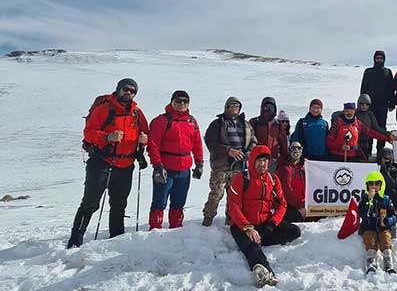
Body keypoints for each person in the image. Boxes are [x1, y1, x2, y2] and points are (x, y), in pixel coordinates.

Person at [67, 78, 149, 248]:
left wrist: (144, 140)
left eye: (133, 91)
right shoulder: (104, 109)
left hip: (126, 166)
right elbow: (88, 133)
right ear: (118, 89)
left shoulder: (137, 113)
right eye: (125, 89)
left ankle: (116, 240)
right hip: (101, 163)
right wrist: (107, 137)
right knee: (90, 203)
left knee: (119, 205)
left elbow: (145, 132)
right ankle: (75, 240)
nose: (129, 93)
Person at [227, 145, 301, 287]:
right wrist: (248, 228)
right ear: (252, 161)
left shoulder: (273, 179)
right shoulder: (241, 179)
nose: (263, 164)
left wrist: (272, 223)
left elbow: (282, 205)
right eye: (259, 161)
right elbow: (233, 207)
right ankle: (265, 273)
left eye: (266, 161)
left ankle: (259, 240)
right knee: (252, 246)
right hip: (242, 225)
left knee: (294, 231)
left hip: (264, 222)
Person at [147, 90, 204, 230]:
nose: (182, 104)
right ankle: (155, 229)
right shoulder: (161, 121)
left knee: (179, 202)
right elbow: (153, 145)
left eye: (185, 101)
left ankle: (176, 229)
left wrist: (199, 163)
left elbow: (197, 144)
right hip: (166, 168)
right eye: (178, 101)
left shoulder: (191, 121)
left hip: (184, 169)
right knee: (160, 201)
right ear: (172, 101)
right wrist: (158, 166)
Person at [202, 97, 257, 226]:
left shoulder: (246, 124)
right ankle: (208, 219)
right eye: (232, 106)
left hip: (239, 166)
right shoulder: (218, 124)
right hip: (221, 166)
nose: (234, 109)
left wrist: (248, 153)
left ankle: (231, 221)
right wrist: (228, 150)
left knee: (234, 196)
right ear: (227, 108)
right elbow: (210, 142)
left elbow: (253, 141)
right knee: (217, 194)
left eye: (237, 106)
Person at [358, 171, 397, 273]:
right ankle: (371, 263)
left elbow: (394, 215)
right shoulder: (364, 199)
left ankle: (388, 262)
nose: (374, 187)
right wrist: (369, 201)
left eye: (377, 184)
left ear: (381, 185)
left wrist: (388, 221)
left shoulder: (386, 199)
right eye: (371, 184)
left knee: (385, 238)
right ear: (367, 186)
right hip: (369, 227)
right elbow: (361, 213)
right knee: (370, 240)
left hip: (383, 227)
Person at [327, 102, 396, 162]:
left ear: (354, 112)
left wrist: (387, 138)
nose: (349, 113)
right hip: (337, 155)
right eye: (347, 111)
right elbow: (329, 141)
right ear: (344, 111)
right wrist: (341, 147)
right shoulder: (337, 123)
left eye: (351, 111)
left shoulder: (358, 124)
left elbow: (371, 133)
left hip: (352, 156)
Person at [360, 50, 395, 154]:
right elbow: (363, 88)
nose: (379, 60)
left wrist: (391, 103)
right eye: (377, 58)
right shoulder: (368, 71)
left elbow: (391, 89)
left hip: (382, 105)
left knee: (381, 127)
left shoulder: (387, 72)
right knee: (368, 128)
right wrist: (362, 103)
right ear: (374, 59)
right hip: (369, 106)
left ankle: (380, 151)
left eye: (381, 58)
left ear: (384, 60)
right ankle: (368, 151)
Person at [249, 97, 288, 171]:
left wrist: (283, 159)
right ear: (262, 107)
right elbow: (249, 139)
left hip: (272, 159)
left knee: (270, 180)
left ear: (275, 108)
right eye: (266, 106)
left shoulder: (278, 124)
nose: (268, 109)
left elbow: (284, 144)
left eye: (271, 107)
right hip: (257, 158)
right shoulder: (254, 122)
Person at [276, 141, 306, 223]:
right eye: (293, 148)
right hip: (289, 205)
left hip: (302, 204)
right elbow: (286, 190)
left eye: (299, 148)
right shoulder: (285, 169)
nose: (296, 150)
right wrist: (299, 207)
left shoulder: (302, 167)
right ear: (289, 150)